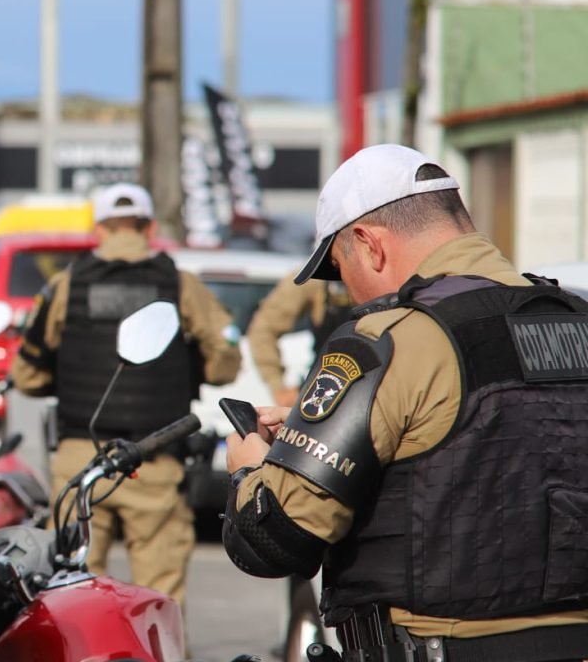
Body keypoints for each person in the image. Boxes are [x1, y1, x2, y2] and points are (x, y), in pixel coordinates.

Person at [222, 144, 588, 661]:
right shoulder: (578, 317)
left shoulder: (386, 340)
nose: (349, 292)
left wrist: (249, 471)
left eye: (340, 267)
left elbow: (275, 537)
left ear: (369, 245)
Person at [10, 182, 242, 605]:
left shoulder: (66, 285)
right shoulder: (180, 285)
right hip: (154, 458)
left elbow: (27, 375)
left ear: (98, 229)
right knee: (158, 600)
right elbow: (226, 361)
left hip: (82, 463)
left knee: (70, 595)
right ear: (149, 226)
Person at [247, 276, 354, 407]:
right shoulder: (315, 279)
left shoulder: (381, 270)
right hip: (325, 387)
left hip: (372, 386)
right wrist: (278, 387)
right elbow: (263, 329)